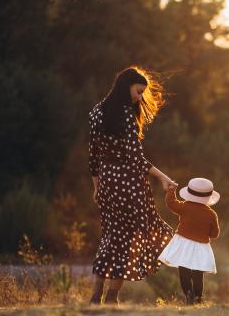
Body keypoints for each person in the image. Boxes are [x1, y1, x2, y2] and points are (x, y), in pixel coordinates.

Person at [88, 67, 176, 304]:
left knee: (110, 236)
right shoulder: (126, 115)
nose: (139, 97)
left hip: (107, 182)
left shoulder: (97, 112)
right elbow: (135, 159)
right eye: (138, 91)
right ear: (125, 86)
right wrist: (162, 177)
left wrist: (97, 187)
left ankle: (96, 294)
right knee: (129, 240)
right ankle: (112, 297)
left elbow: (93, 156)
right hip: (129, 184)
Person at [158, 177, 220, 305]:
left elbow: (171, 203)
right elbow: (215, 234)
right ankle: (198, 299)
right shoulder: (211, 214)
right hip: (201, 247)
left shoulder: (185, 206)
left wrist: (171, 191)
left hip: (184, 243)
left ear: (190, 193)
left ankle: (188, 295)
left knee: (184, 271)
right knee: (198, 275)